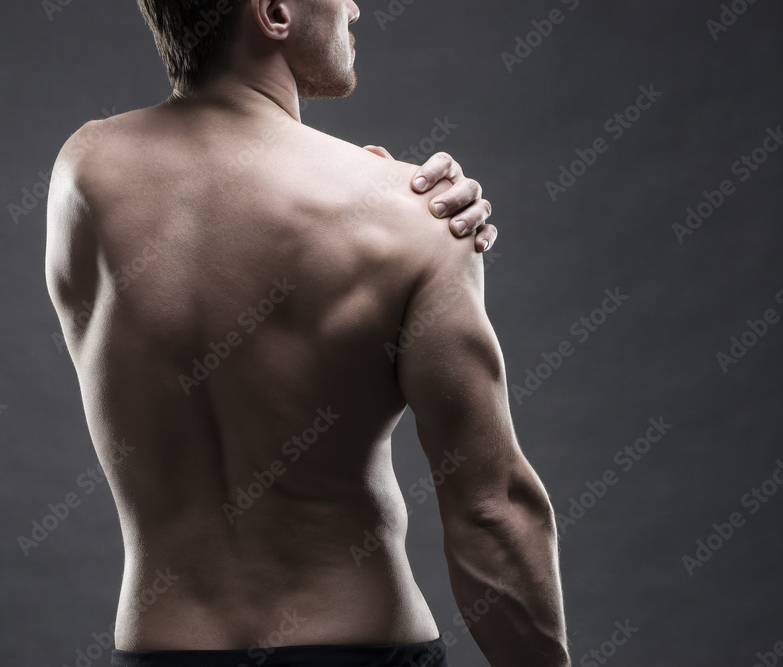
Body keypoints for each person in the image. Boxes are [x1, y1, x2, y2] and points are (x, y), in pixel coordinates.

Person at [44, 1, 569, 665]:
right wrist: (397, 202)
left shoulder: (84, 172)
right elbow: (493, 511)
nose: (354, 6)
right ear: (274, 11)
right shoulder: (411, 219)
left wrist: (376, 186)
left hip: (163, 647)